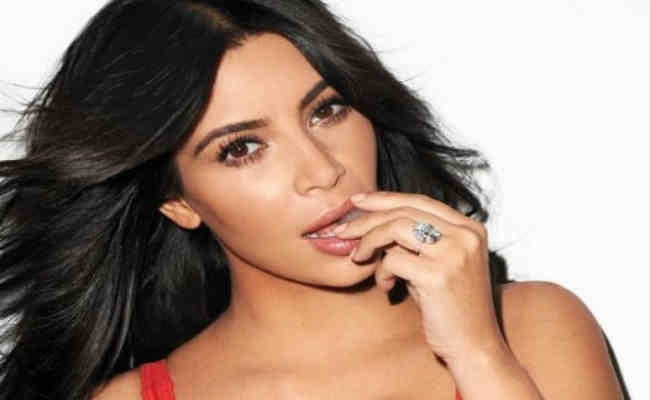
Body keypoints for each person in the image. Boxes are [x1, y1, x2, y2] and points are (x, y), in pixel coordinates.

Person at [0, 1, 624, 399]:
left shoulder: (531, 329)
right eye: (242, 148)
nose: (323, 171)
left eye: (326, 111)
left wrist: (478, 357)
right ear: (176, 201)